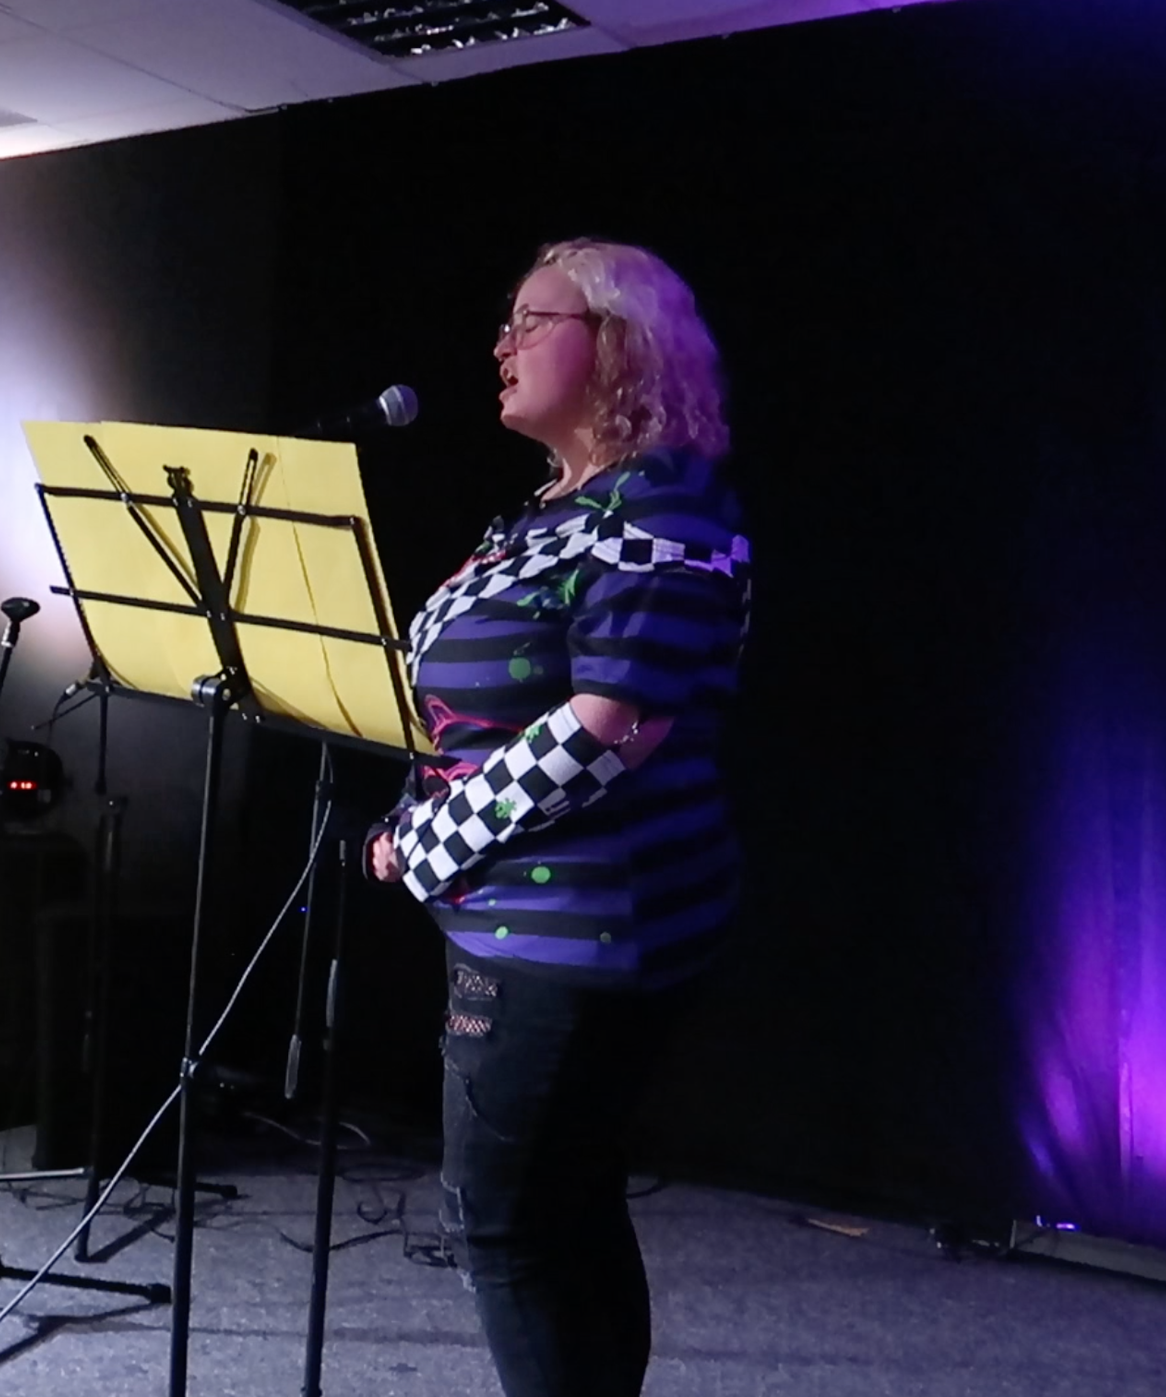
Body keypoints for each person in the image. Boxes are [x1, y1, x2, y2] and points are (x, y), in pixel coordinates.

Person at [366, 239, 751, 1397]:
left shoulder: (662, 504)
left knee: (507, 1226)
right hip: (514, 914)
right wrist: (413, 809)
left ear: (620, 344)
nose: (502, 343)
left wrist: (425, 843)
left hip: (576, 930)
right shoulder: (554, 512)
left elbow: (610, 725)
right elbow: (471, 707)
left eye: (532, 320)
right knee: (564, 1206)